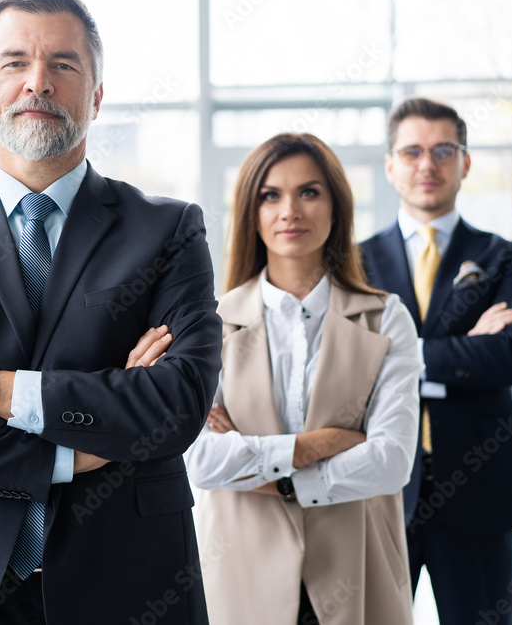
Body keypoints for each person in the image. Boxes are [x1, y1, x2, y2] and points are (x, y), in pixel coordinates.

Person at [0, 0, 222, 624]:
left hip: (127, 580)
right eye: (14, 63)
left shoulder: (168, 231)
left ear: (97, 92)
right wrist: (76, 449)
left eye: (63, 64)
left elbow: (176, 407)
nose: (38, 83)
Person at [180, 133, 420, 624]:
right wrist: (321, 444)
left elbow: (391, 461)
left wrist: (271, 475)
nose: (290, 210)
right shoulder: (212, 322)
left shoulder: (386, 318)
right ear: (252, 210)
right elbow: (201, 460)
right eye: (271, 195)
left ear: (336, 207)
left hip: (358, 567)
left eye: (309, 192)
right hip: (242, 572)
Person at [360, 97, 512, 624]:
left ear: (465, 162)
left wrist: (399, 354)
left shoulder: (503, 256)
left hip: (480, 480)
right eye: (412, 151)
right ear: (391, 165)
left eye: (443, 150)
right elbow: (345, 364)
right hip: (378, 483)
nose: (427, 164)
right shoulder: (354, 260)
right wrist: (460, 349)